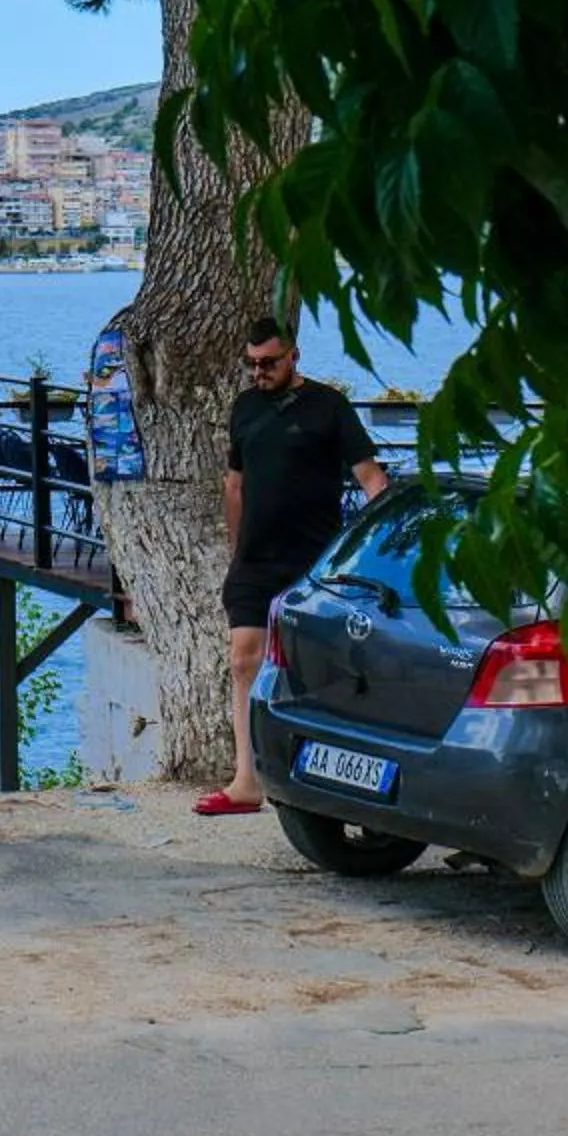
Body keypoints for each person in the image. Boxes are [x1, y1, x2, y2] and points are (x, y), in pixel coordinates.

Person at [195, 317, 389, 816]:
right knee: (244, 658)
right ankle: (246, 780)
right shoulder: (245, 408)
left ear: (293, 356)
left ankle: (327, 776)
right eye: (252, 364)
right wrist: (237, 548)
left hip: (313, 559)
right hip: (255, 558)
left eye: (269, 363)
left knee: (316, 665)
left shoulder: (328, 406)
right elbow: (234, 484)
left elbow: (371, 478)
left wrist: (374, 546)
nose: (260, 372)